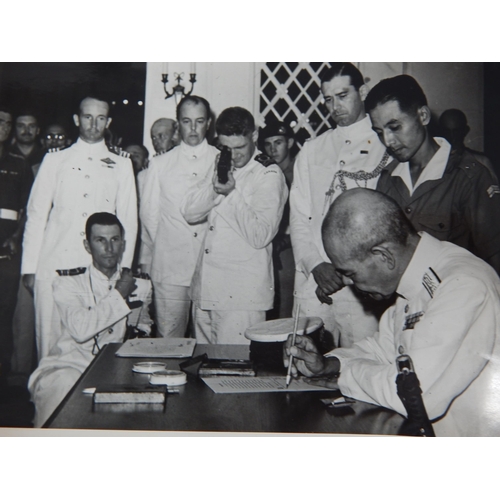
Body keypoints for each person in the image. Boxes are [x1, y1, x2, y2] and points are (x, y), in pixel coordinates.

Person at [285, 188, 500, 437]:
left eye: (350, 273)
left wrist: (345, 377)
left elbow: (412, 395)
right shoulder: (420, 276)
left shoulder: (462, 285)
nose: (346, 282)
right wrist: (329, 365)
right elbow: (385, 349)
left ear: (384, 256)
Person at [21, 96, 138, 361]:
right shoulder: (55, 160)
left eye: (100, 118)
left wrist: (125, 269)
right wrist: (29, 267)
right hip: (53, 262)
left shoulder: (121, 164)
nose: (93, 124)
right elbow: (37, 215)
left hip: (97, 268)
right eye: (87, 117)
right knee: (49, 342)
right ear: (77, 119)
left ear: (108, 122)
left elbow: (129, 220)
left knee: (96, 344)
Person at [290, 63, 390, 348]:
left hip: (363, 286)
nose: (335, 106)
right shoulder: (313, 149)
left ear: (362, 91)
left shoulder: (385, 145)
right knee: (307, 361)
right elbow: (299, 215)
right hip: (315, 279)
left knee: (361, 363)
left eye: (343, 95)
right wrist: (316, 264)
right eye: (328, 99)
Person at [28, 212, 152, 427]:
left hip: (116, 370)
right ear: (87, 246)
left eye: (114, 240)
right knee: (64, 385)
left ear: (123, 244)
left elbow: (142, 329)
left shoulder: (141, 284)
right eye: (100, 240)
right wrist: (119, 294)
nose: (109, 248)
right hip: (67, 366)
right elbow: (80, 329)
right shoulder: (68, 282)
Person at [368, 75, 500, 274]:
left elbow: (494, 256)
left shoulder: (469, 178)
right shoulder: (387, 178)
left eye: (395, 127)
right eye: (379, 132)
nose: (387, 141)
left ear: (423, 116)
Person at [181, 106, 288, 344]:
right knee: (203, 369)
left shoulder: (268, 174)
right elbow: (189, 212)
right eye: (226, 147)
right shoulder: (223, 162)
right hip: (205, 291)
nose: (234, 155)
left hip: (240, 299)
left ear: (254, 137)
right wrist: (216, 184)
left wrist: (230, 194)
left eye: (239, 147)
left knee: (234, 372)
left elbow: (261, 235)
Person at [140, 96, 218, 337]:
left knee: (208, 338)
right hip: (170, 265)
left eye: (199, 121)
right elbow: (150, 216)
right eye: (186, 121)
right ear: (178, 124)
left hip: (212, 265)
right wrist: (170, 243)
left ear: (209, 123)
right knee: (169, 338)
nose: (193, 129)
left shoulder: (220, 157)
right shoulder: (161, 164)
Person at [0, 104, 33, 382]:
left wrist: (14, 237)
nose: (5, 127)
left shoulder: (18, 165)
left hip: (6, 254)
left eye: (8, 122)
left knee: (5, 313)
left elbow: (26, 209)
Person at [261, 121, 296, 318]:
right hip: (269, 245)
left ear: (289, 143)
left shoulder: (299, 172)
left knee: (287, 306)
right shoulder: (265, 173)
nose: (273, 149)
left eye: (278, 143)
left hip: (290, 247)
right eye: (268, 144)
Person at [438, 108, 496, 175]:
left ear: (465, 131)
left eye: (456, 132)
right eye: (446, 132)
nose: (452, 137)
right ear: (440, 132)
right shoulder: (434, 161)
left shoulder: (481, 162)